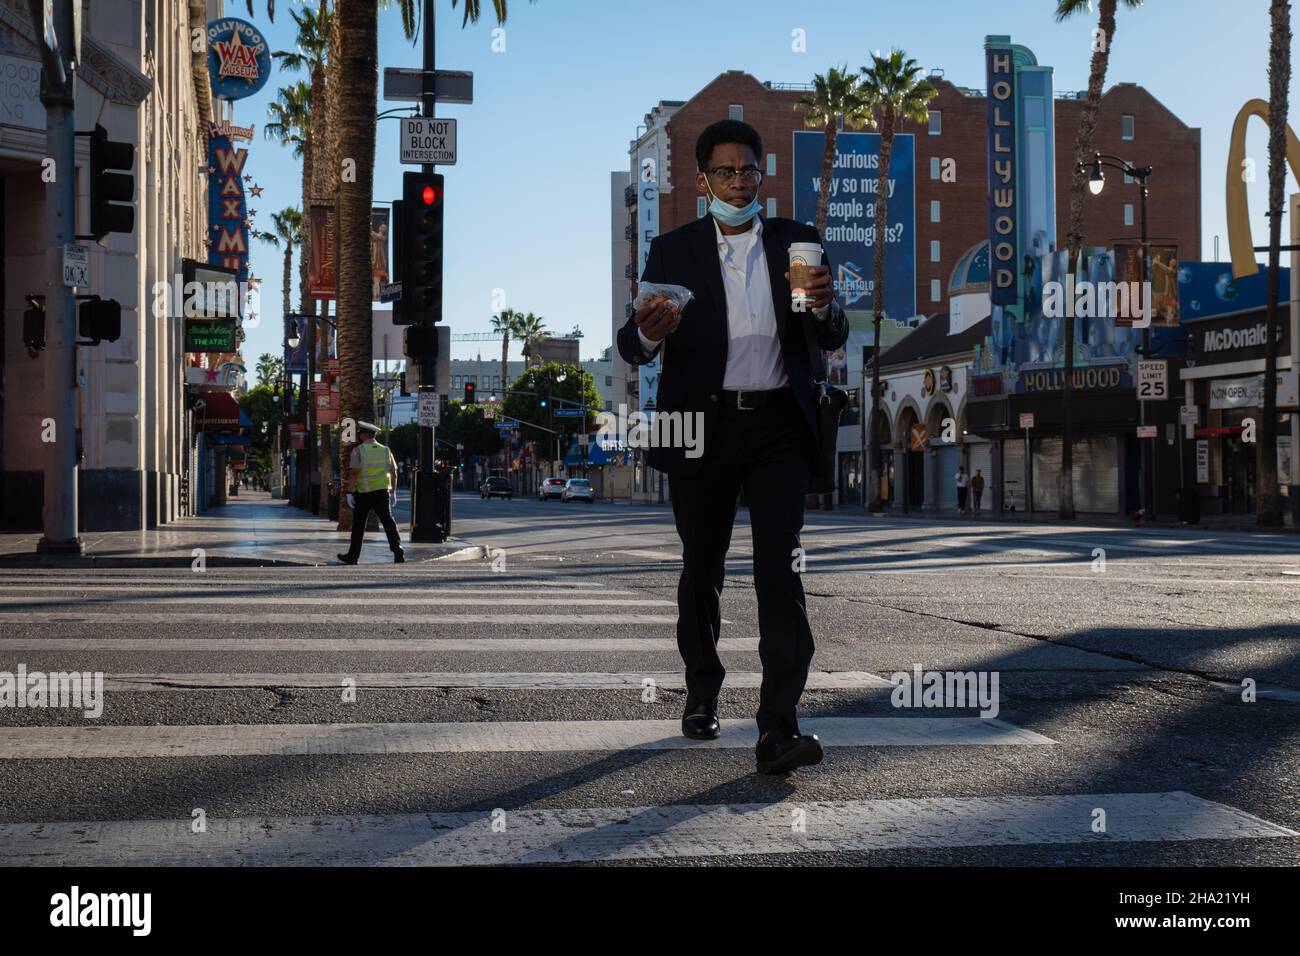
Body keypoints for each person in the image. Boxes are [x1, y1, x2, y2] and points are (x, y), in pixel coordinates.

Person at [617, 119, 849, 775]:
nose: (739, 182)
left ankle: (779, 726)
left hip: (778, 424)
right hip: (699, 427)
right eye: (725, 172)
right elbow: (631, 344)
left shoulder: (796, 243)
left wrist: (828, 307)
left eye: (749, 169)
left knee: (783, 573)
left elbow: (829, 335)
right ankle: (702, 689)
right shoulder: (673, 249)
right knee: (703, 570)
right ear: (702, 181)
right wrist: (651, 334)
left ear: (760, 174)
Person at [337, 421, 404, 564]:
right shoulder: (386, 450)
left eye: (360, 433)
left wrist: (349, 493)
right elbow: (394, 472)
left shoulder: (359, 450)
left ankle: (353, 556)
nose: (359, 435)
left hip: (364, 493)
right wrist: (393, 492)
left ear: (364, 435)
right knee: (388, 521)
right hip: (382, 493)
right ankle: (397, 547)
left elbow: (354, 473)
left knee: (359, 525)